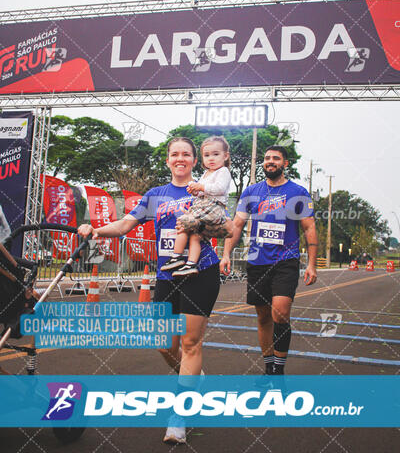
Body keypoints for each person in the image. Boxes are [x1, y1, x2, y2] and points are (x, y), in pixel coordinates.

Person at [78, 137, 220, 445]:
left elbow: (223, 225)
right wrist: (95, 229)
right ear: (168, 160)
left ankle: (180, 415)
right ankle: (196, 378)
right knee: (163, 344)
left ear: (194, 161)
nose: (180, 158)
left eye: (186, 154)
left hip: (200, 272)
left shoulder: (204, 189)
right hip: (168, 276)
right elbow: (125, 224)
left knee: (191, 343)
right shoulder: (156, 195)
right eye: (174, 154)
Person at [220, 145, 318, 376]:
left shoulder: (298, 192)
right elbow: (237, 225)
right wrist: (225, 254)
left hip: (286, 261)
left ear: (285, 163)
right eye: (266, 158)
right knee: (263, 316)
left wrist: (312, 263)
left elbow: (309, 228)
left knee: (280, 312)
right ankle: (268, 366)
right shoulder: (251, 192)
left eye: (275, 158)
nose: (270, 161)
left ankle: (279, 371)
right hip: (257, 261)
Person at [161, 135, 233, 277]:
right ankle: (190, 264)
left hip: (213, 207)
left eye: (216, 154)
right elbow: (204, 192)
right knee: (194, 235)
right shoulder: (207, 173)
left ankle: (176, 256)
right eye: (206, 155)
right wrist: (195, 192)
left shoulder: (223, 171)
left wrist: (200, 187)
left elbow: (219, 189)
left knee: (183, 223)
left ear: (225, 156)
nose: (211, 158)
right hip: (204, 205)